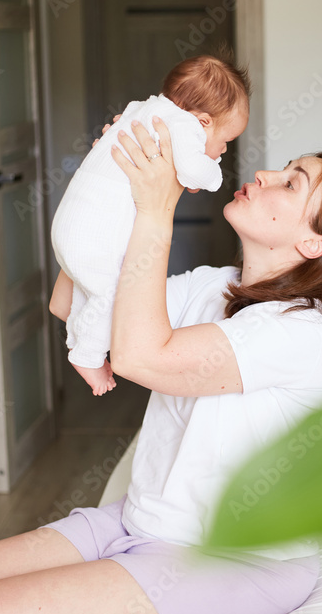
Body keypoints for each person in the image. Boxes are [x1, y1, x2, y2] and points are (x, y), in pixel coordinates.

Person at [0, 114, 322, 614]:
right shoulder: (215, 286)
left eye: (291, 183)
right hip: (143, 520)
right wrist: (112, 187)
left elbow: (139, 357)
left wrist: (156, 208)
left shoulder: (308, 330)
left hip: (236, 560)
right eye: (282, 169)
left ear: (314, 244)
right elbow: (70, 302)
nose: (265, 174)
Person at [51, 53, 250, 396]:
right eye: (226, 141)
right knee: (111, 295)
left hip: (74, 226)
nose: (222, 150)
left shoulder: (141, 109)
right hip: (91, 235)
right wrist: (212, 173)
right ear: (203, 121)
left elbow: (60, 305)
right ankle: (87, 355)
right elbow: (194, 171)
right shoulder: (184, 126)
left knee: (97, 293)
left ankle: (77, 339)